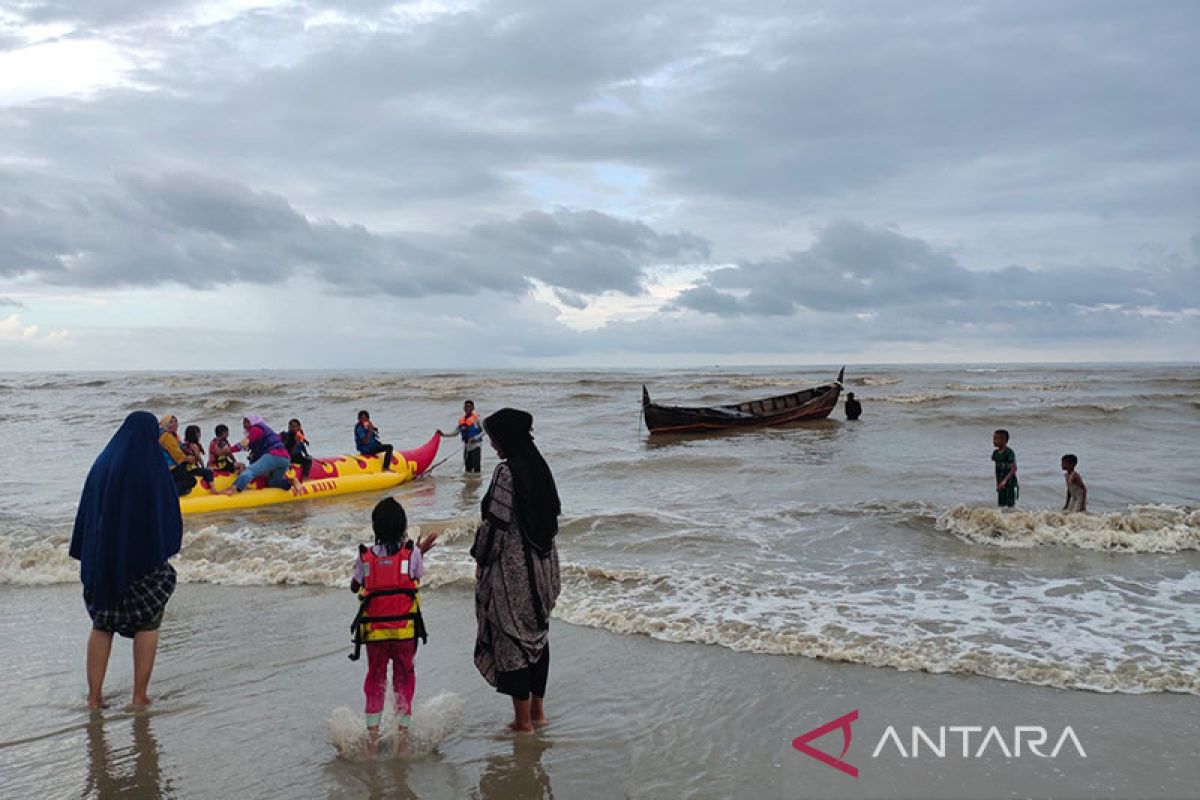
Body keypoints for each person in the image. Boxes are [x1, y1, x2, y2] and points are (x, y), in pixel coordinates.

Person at [70, 411, 181, 710]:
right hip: (142, 565)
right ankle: (139, 696)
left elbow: (87, 515)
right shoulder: (150, 467)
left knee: (101, 624)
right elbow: (166, 513)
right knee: (149, 622)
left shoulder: (102, 463)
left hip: (103, 567)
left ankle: (94, 698)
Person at [471, 408, 561, 733]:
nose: (493, 445)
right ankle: (538, 714)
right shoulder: (539, 466)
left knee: (513, 640)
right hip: (544, 568)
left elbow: (494, 526)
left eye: (495, 438)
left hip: (515, 572)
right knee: (537, 638)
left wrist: (480, 561)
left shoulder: (506, 473)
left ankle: (523, 723)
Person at [348, 498, 439, 757]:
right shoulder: (412, 554)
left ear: (375, 528)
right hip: (404, 633)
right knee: (404, 680)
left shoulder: (364, 556)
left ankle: (372, 744)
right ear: (403, 528)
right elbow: (414, 575)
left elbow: (355, 586)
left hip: (374, 634)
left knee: (375, 681)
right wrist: (420, 550)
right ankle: (403, 741)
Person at [229, 415, 298, 493]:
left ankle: (234, 488)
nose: (245, 424)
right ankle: (291, 481)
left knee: (250, 471)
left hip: (274, 455)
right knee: (273, 483)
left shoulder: (256, 429)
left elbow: (243, 444)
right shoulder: (266, 431)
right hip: (285, 459)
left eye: (247, 422)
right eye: (244, 422)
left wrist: (229, 450)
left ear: (253, 422)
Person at [438, 399, 484, 473]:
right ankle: (469, 484)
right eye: (465, 407)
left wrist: (475, 438)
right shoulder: (461, 421)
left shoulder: (477, 419)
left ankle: (477, 483)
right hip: (466, 448)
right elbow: (455, 433)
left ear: (473, 408)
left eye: (469, 407)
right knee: (468, 470)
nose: (467, 408)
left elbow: (484, 431)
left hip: (476, 447)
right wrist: (443, 434)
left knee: (477, 471)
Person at [158, 415, 197, 496]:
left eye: (176, 421)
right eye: (171, 422)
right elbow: (177, 455)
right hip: (170, 467)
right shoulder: (166, 437)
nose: (175, 424)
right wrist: (189, 459)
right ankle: (171, 494)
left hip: (162, 467)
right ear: (165, 424)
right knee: (191, 481)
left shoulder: (162, 434)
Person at [992, 429, 1018, 508]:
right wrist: (997, 483)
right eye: (993, 438)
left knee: (1010, 504)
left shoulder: (1009, 452)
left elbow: (1014, 468)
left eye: (996, 439)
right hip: (1000, 483)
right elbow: (996, 468)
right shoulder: (995, 453)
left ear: (1003, 440)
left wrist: (1005, 481)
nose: (994, 441)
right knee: (1001, 504)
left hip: (1009, 483)